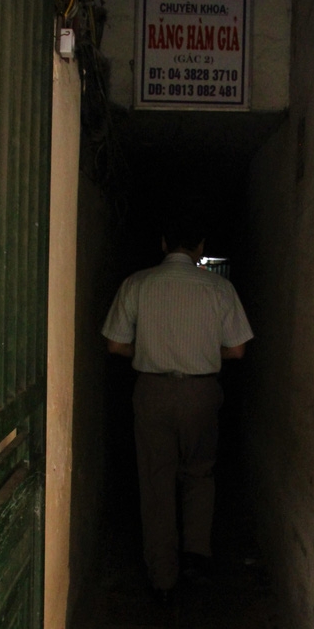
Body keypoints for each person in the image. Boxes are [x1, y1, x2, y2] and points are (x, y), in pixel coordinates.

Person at [101, 214, 253, 601]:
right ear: (200, 247)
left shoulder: (137, 284)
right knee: (200, 475)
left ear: (164, 244)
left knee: (155, 481)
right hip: (201, 395)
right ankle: (197, 561)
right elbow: (236, 350)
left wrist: (150, 350)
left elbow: (115, 345)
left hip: (151, 393)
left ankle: (162, 575)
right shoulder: (219, 289)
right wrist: (201, 352)